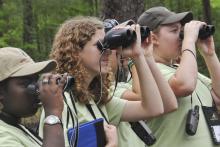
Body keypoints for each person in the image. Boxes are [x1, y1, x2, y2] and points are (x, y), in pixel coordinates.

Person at [38, 16, 168, 147]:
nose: (108, 52)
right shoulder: (59, 103)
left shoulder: (95, 99)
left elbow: (153, 108)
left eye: (109, 45)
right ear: (75, 51)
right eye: (101, 45)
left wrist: (139, 56)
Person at [137, 6, 220, 147]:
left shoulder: (183, 70)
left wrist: (209, 55)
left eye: (181, 31)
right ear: (153, 38)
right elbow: (184, 85)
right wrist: (189, 41)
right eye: (175, 31)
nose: (182, 36)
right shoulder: (146, 73)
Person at [0, 47, 65, 147]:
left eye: (35, 81)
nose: (36, 89)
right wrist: (53, 114)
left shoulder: (13, 126)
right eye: (26, 83)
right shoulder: (3, 137)